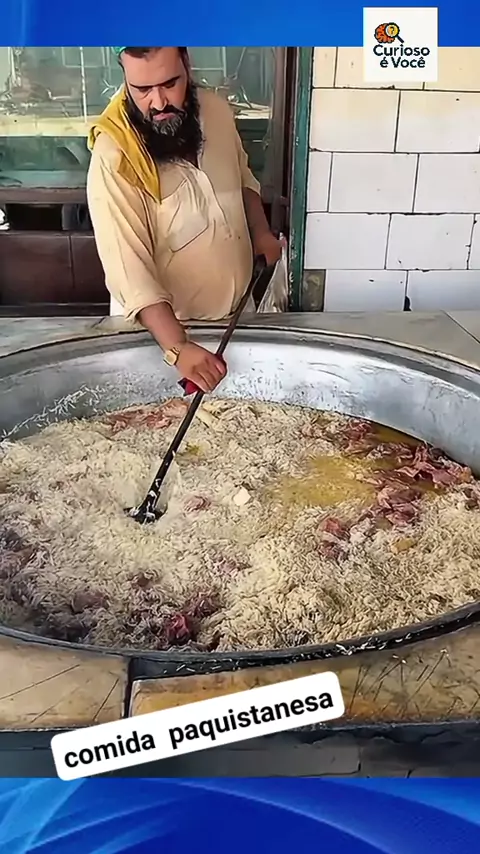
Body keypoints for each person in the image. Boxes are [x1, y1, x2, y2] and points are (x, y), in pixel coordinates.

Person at [87, 46, 282, 393]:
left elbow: (242, 179)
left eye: (169, 84)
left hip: (238, 316)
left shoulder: (215, 111)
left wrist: (261, 232)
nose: (158, 102)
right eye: (142, 90)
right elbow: (129, 270)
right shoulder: (114, 153)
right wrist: (177, 347)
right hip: (165, 338)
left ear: (187, 66)